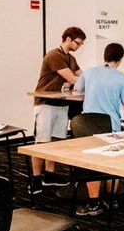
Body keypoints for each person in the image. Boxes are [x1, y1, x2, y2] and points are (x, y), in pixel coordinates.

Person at [73, 42, 124, 216]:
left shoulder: (89, 72)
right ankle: (112, 198)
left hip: (85, 125)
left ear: (105, 56)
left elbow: (77, 89)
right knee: (110, 161)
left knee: (92, 163)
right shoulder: (121, 77)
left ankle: (93, 202)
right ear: (120, 59)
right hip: (109, 125)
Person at [31, 26, 85, 191]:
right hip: (46, 103)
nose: (79, 46)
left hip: (61, 103)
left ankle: (50, 174)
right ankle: (35, 180)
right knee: (41, 142)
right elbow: (74, 79)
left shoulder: (71, 58)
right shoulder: (55, 55)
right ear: (68, 39)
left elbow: (82, 75)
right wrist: (80, 80)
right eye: (78, 43)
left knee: (55, 141)